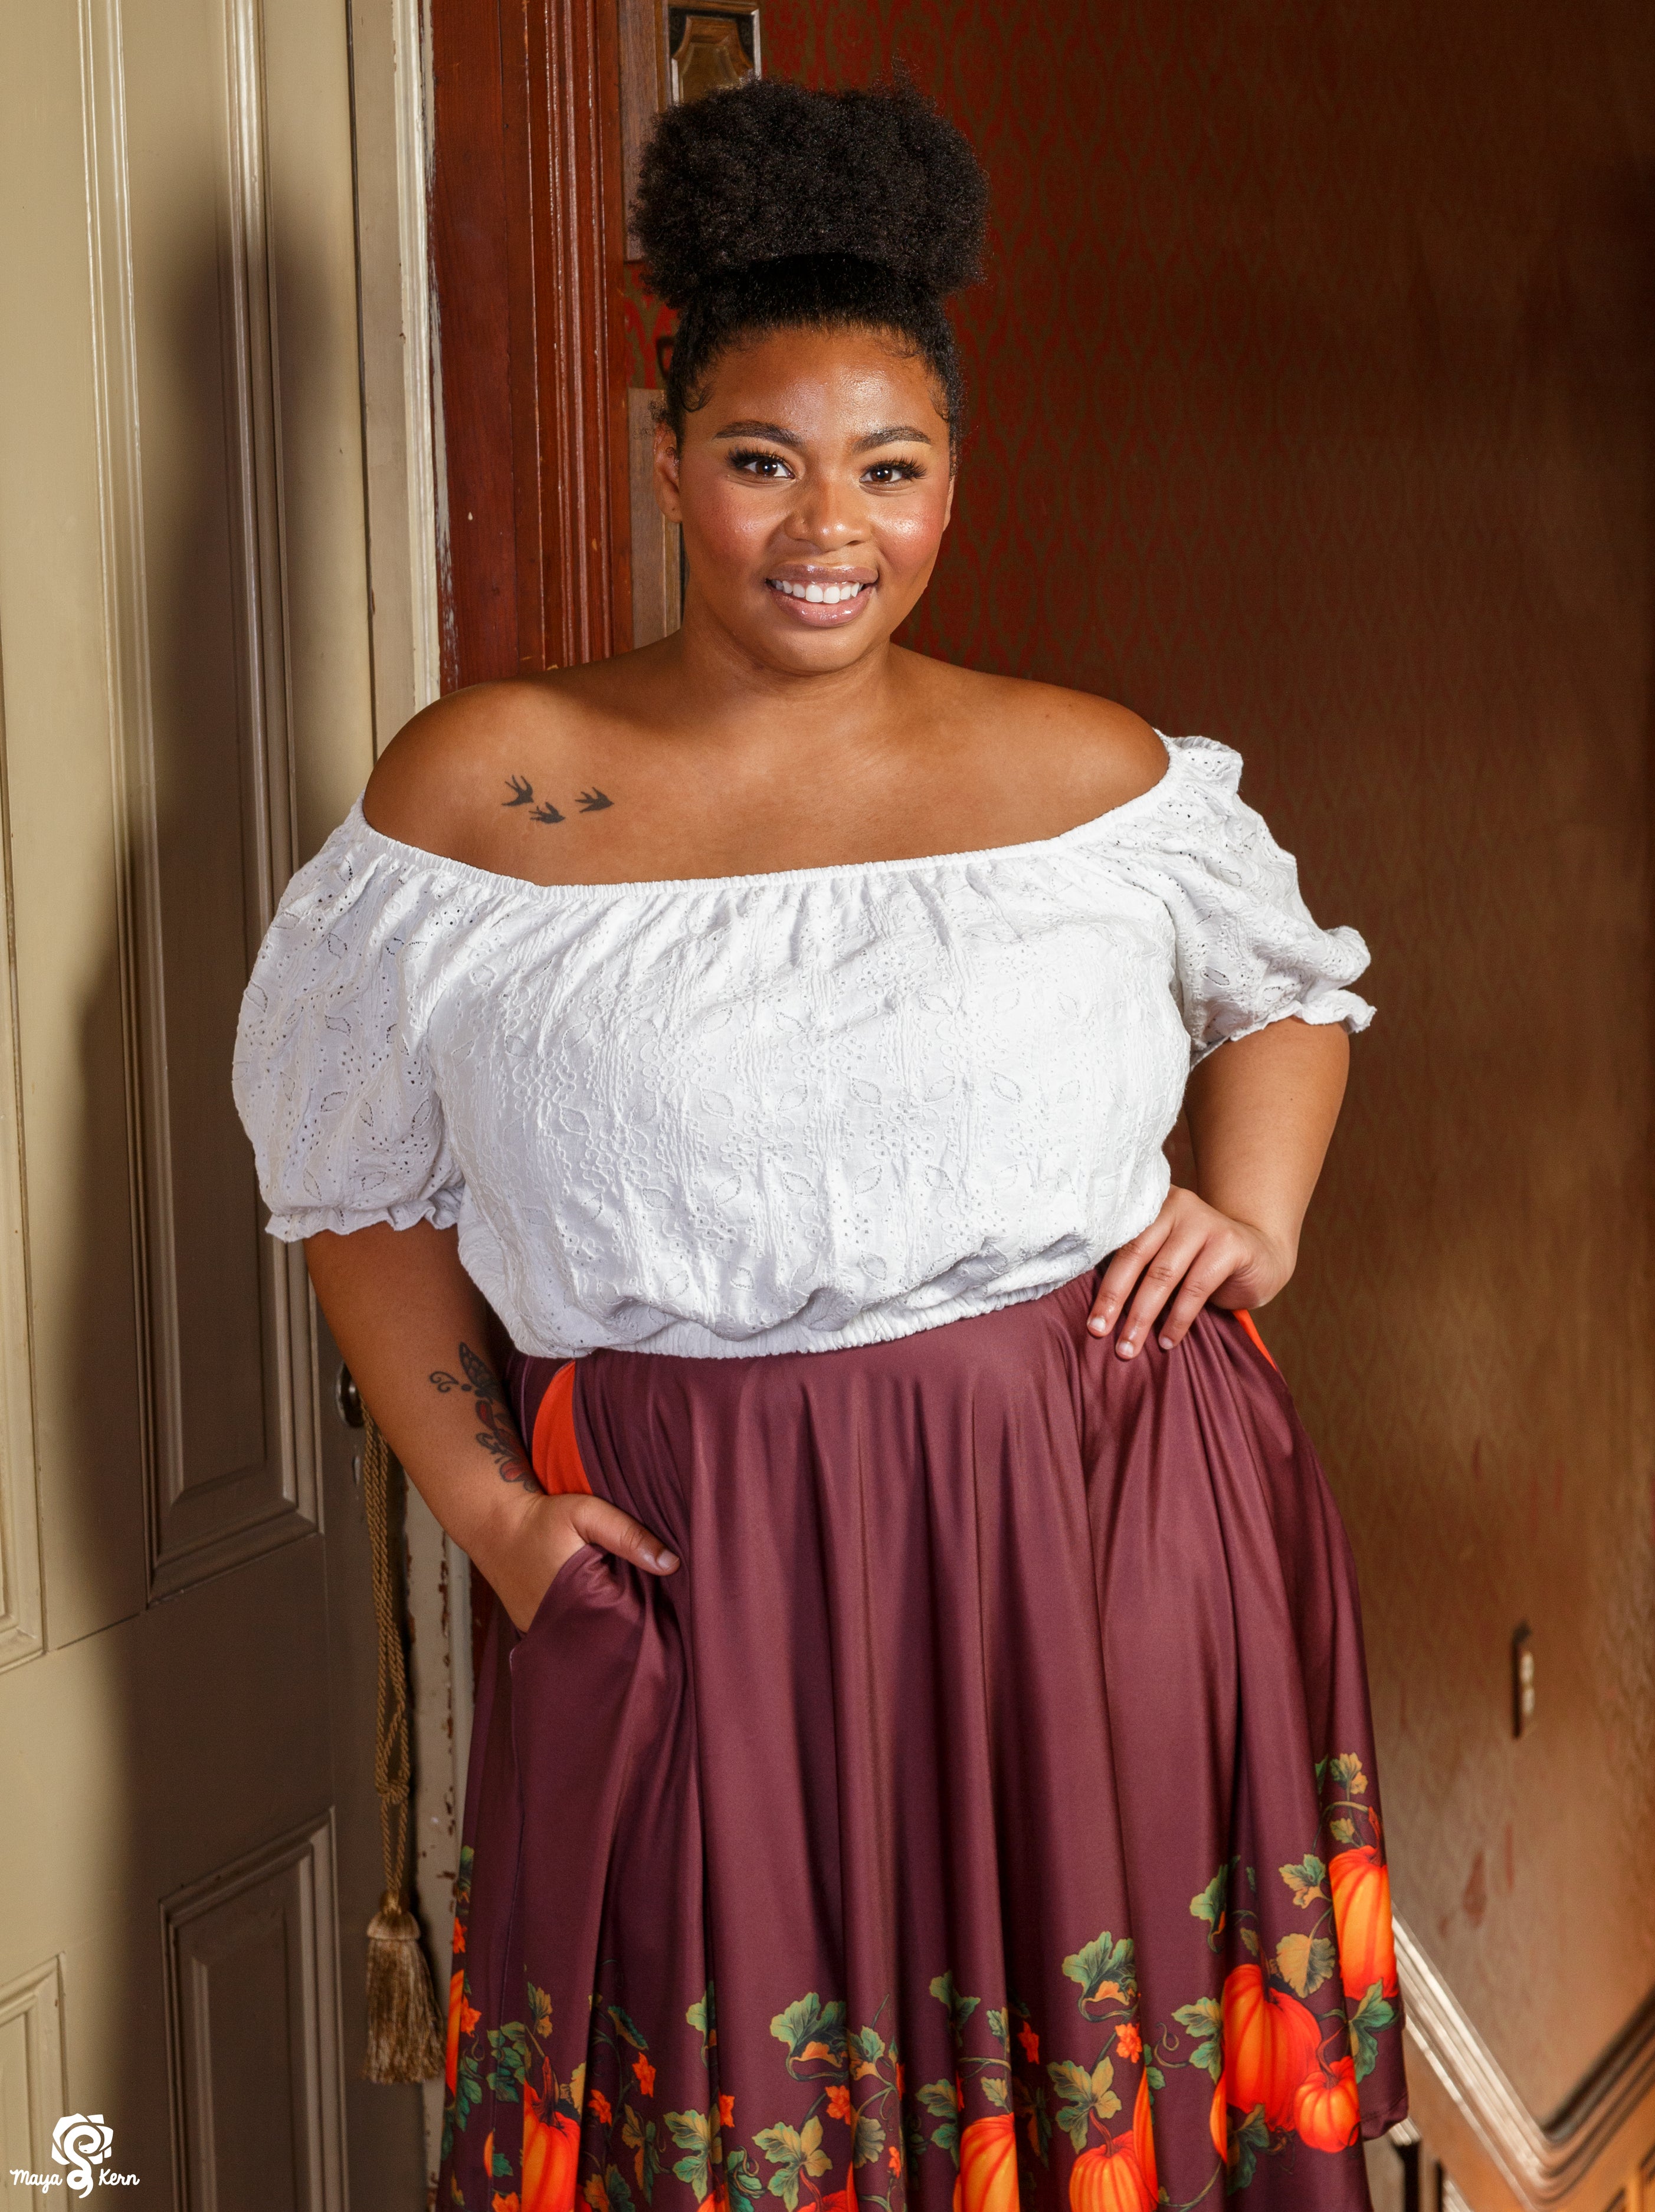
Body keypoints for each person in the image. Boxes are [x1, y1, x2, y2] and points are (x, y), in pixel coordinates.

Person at [234, 76, 1404, 2212]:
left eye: (890, 467)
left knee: (1100, 2113)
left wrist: (1255, 1216)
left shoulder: (1093, 771)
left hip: (1096, 1510)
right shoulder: (479, 794)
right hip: (698, 1551)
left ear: (955, 486)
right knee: (727, 2118)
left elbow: (1293, 988)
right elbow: (353, 1181)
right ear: (669, 465)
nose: (825, 527)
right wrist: (488, 1512)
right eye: (765, 463)